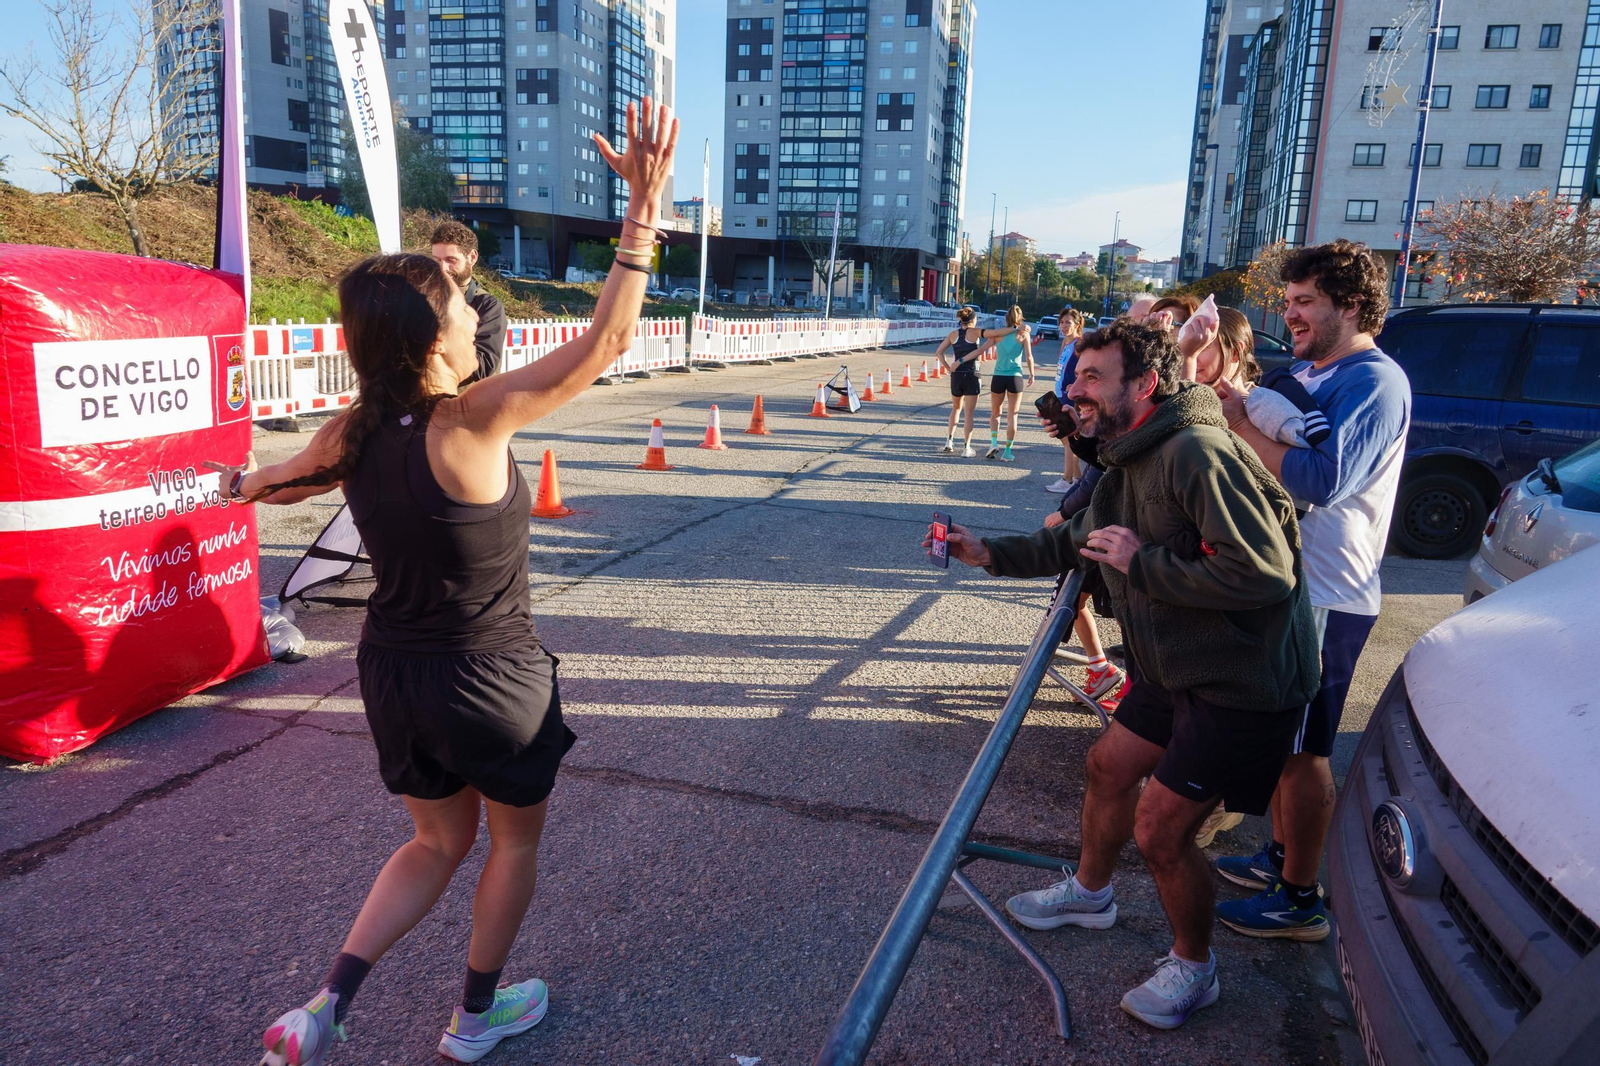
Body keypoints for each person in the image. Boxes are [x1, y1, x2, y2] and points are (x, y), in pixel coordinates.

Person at [217, 101, 678, 1066]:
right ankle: (474, 1018)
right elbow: (608, 340)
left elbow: (262, 481)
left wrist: (228, 483)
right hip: (490, 679)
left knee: (433, 843)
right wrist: (641, 213)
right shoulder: (468, 420)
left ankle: (325, 1004)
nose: (479, 317)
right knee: (510, 845)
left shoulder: (351, 430)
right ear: (432, 335)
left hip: (392, 675)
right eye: (465, 309)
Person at [929, 318, 1320, 1030]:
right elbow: (1077, 542)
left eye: (1092, 378)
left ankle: (1194, 969)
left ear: (1143, 385)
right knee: (1108, 766)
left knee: (1162, 832)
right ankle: (1090, 892)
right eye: (1076, 375)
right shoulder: (1127, 455)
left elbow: (1264, 572)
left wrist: (1142, 562)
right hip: (1174, 667)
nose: (1073, 390)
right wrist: (986, 551)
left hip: (1240, 681)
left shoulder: (1197, 452)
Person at [1208, 240, 1411, 943]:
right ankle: (1283, 857)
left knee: (1306, 752)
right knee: (1287, 742)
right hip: (1296, 588)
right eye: (1287, 301)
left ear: (1349, 305)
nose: (1288, 314)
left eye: (1303, 303)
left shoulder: (1375, 383)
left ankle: (1299, 899)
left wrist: (1238, 424)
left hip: (1329, 595)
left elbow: (1321, 481)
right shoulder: (1311, 372)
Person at [931, 308, 1018, 457]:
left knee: (956, 408)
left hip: (956, 375)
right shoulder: (976, 332)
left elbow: (939, 352)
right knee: (969, 413)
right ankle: (967, 448)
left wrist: (948, 368)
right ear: (973, 320)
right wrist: (1015, 328)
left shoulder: (953, 335)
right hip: (972, 373)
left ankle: (949, 441)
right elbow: (996, 333)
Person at [432, 219, 508, 385]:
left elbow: (485, 365)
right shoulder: (423, 297)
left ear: (472, 257)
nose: (442, 268)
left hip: (467, 404)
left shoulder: (488, 306)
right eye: (437, 260)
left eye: (451, 260)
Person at [984, 306, 1037, 461]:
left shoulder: (999, 334)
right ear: (1021, 318)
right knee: (1012, 415)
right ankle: (1008, 451)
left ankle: (993, 442)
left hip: (998, 377)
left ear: (1006, 318)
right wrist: (1032, 374)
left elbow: (983, 347)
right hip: (1015, 377)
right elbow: (1029, 357)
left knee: (995, 413)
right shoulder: (1023, 334)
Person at [1046, 309, 1084, 493]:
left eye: (1068, 322)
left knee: (1069, 439)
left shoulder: (1079, 344)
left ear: (1077, 324)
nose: (1064, 326)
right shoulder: (1065, 342)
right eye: (1061, 322)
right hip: (1059, 394)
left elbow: (1086, 367)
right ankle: (1078, 479)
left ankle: (1067, 480)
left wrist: (1077, 384)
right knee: (1065, 439)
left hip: (1071, 398)